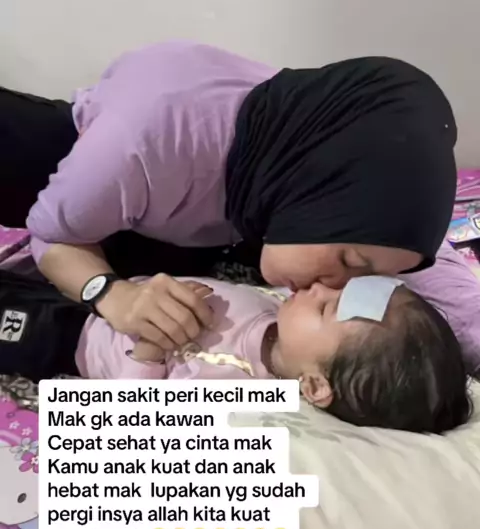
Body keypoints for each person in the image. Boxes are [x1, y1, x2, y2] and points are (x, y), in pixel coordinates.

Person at [1, 42, 457, 358]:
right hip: (83, 161)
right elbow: (50, 234)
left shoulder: (307, 150)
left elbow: (412, 263)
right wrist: (110, 293)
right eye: (349, 262)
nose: (339, 289)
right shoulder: (140, 146)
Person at [0, 269, 470, 435]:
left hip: (73, 342)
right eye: (340, 288)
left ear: (314, 384)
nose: (320, 287)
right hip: (107, 294)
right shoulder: (281, 317)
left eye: (326, 308)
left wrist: (150, 350)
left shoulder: (235, 397)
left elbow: (135, 416)